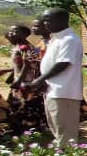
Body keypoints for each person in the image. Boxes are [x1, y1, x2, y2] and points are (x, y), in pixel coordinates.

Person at [28, 8, 83, 147]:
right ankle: (62, 154)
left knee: (65, 128)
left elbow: (63, 63)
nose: (45, 23)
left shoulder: (69, 39)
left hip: (64, 91)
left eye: (48, 20)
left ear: (62, 21)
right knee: (56, 125)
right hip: (53, 89)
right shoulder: (56, 38)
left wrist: (40, 79)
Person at [0, 25, 45, 133]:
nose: (11, 33)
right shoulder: (18, 46)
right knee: (18, 105)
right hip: (19, 80)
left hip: (25, 82)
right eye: (10, 31)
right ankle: (21, 128)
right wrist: (8, 73)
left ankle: (28, 129)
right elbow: (18, 65)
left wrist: (19, 80)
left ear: (24, 34)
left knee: (25, 105)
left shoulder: (25, 47)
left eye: (15, 31)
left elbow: (28, 64)